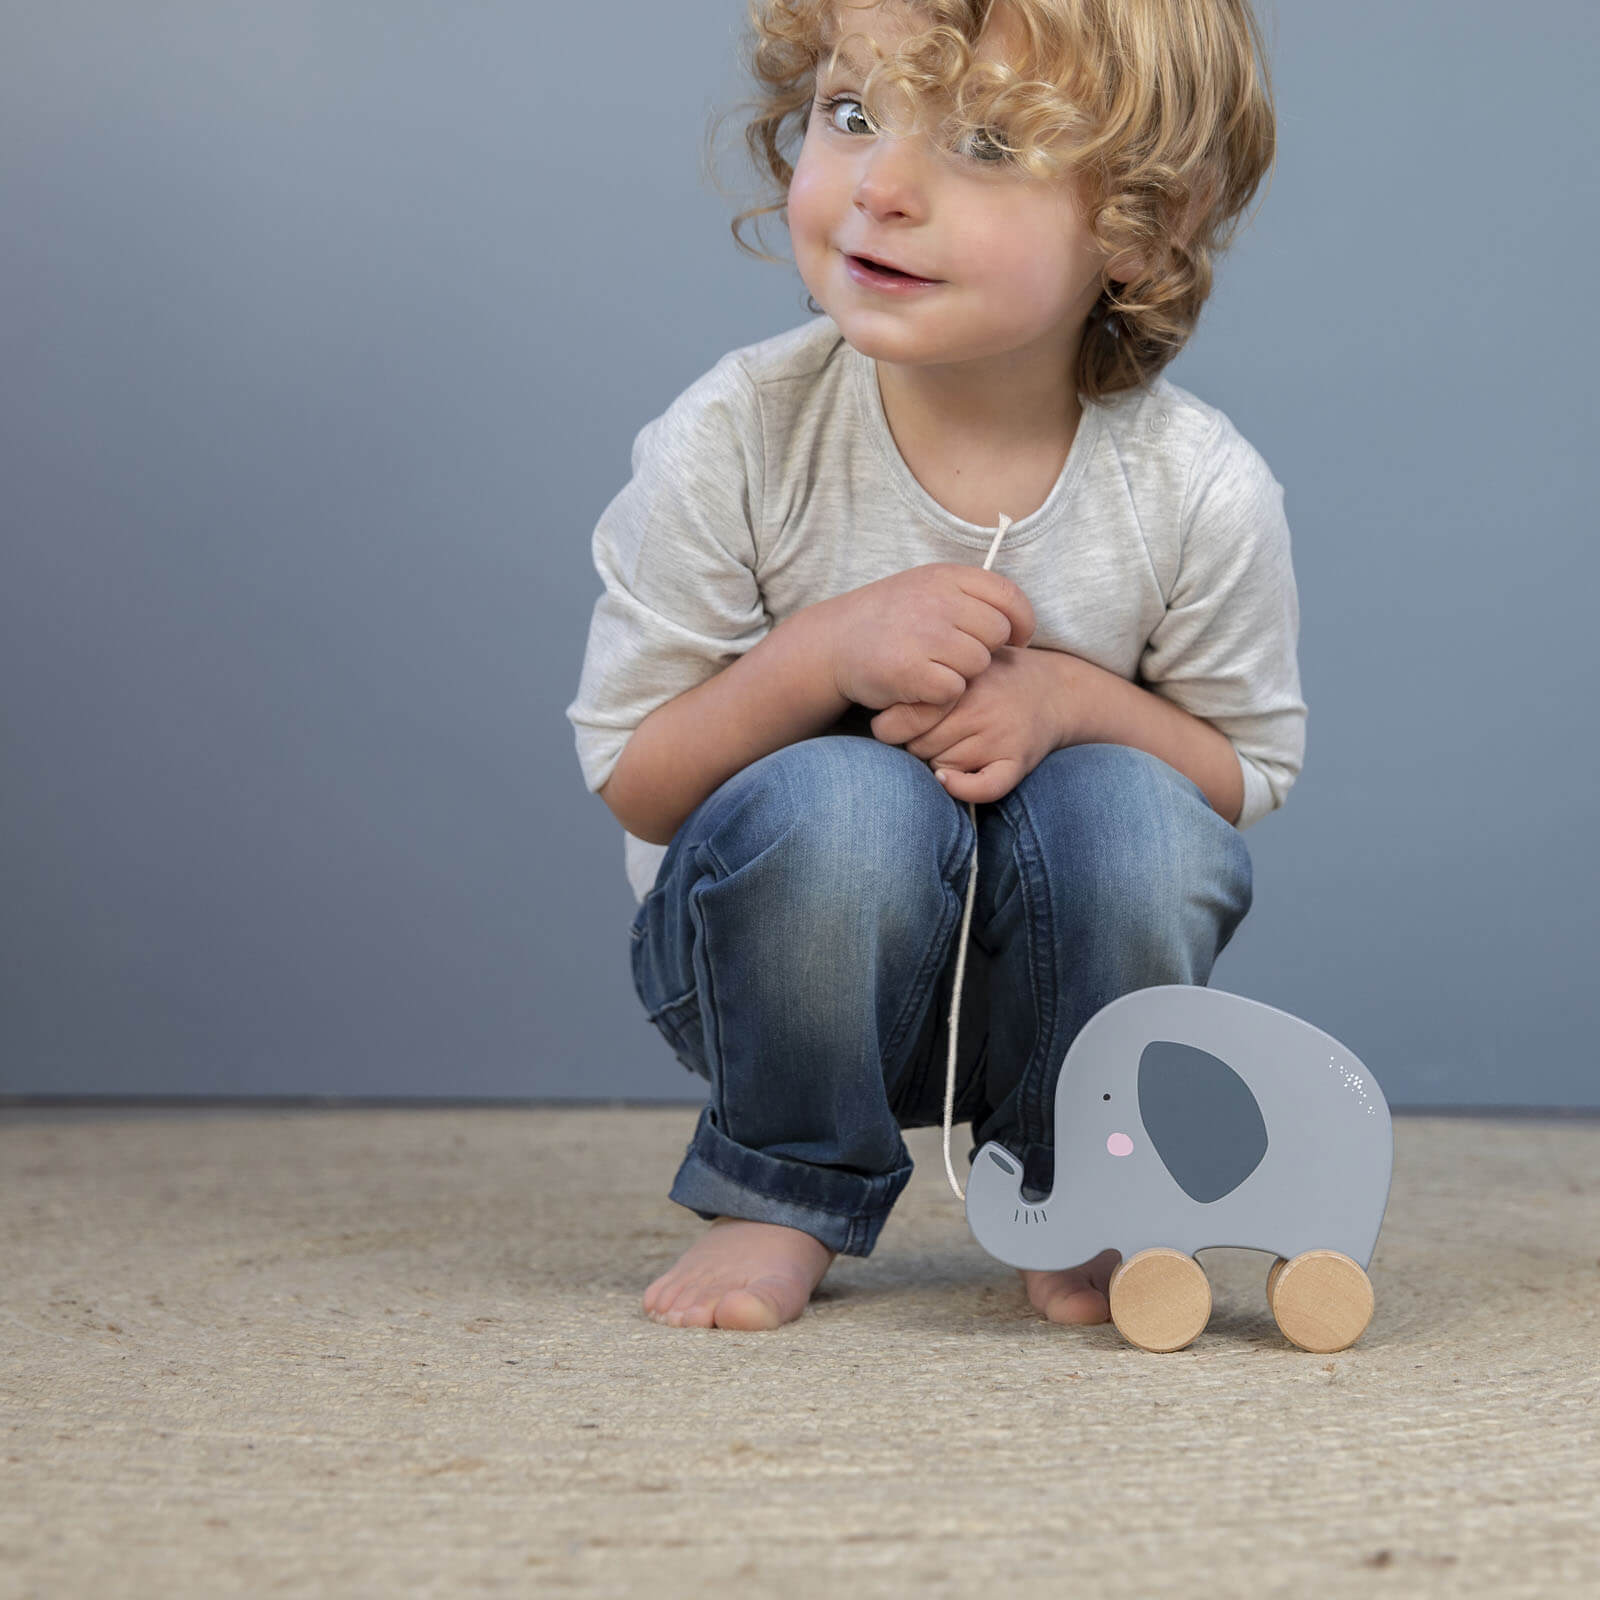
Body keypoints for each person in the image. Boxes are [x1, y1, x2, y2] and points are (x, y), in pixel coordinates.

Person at [565, 0, 1305, 1332]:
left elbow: (1244, 776)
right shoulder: (734, 439)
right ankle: (779, 1183)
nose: (881, 188)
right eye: (851, 115)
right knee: (847, 802)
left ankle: (1085, 1184)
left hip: (1047, 982)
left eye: (983, 141)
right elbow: (640, 782)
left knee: (1142, 812)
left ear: (1148, 222)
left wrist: (1073, 701)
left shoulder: (1198, 488)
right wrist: (822, 653)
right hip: (766, 970)